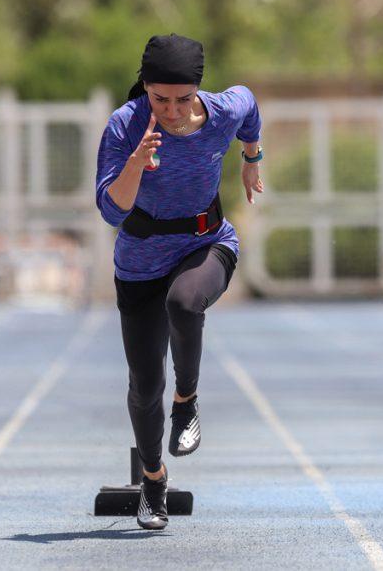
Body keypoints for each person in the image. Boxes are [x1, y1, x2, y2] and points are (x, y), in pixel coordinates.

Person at [95, 34, 264, 530]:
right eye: (159, 99)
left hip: (206, 242)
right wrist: (134, 164)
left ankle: (186, 405)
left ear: (197, 91)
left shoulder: (221, 113)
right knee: (144, 386)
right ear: (145, 88)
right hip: (141, 260)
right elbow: (111, 210)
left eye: (182, 99)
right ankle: (153, 479)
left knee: (187, 303)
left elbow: (249, 104)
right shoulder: (125, 126)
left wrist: (251, 159)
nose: (170, 110)